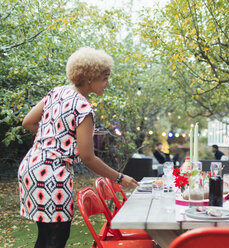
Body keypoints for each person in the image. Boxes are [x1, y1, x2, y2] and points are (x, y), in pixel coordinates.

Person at [18, 47, 139, 248]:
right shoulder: (83, 108)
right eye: (105, 78)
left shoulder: (56, 92)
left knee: (44, 236)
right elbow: (87, 157)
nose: (108, 83)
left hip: (31, 167)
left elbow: (28, 123)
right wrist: (119, 177)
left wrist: (52, 140)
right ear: (90, 78)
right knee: (57, 239)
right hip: (52, 173)